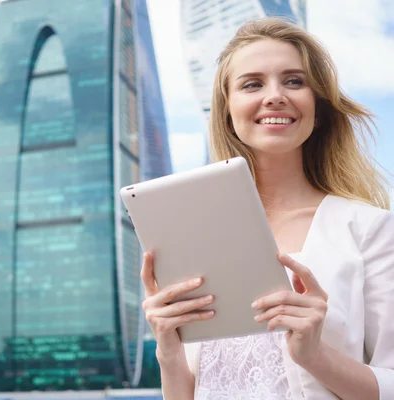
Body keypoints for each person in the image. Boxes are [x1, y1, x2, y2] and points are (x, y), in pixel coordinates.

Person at [141, 17, 394, 400]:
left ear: (318, 105)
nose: (275, 96)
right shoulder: (197, 236)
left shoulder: (370, 229)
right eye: (252, 84)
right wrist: (168, 351)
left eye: (294, 81)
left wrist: (314, 355)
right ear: (227, 109)